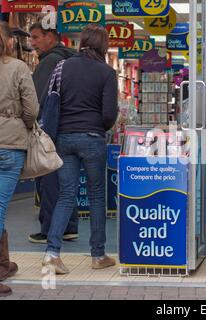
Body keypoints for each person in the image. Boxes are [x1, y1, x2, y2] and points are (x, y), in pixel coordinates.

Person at [42, 24, 118, 274]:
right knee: (97, 197)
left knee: (66, 195)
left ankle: (52, 254)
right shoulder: (106, 72)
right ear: (103, 45)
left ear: (82, 41)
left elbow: (49, 100)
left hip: (63, 138)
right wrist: (98, 126)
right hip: (93, 137)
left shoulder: (63, 67)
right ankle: (98, 255)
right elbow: (109, 114)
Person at [28, 22, 78, 244]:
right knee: (66, 181)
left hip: (49, 127)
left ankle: (48, 228)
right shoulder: (71, 59)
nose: (33, 42)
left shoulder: (49, 61)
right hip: (68, 126)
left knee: (48, 179)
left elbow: (35, 98)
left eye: (37, 37)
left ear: (50, 37)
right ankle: (69, 226)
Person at [0, 22, 39, 296]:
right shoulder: (17, 68)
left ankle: (3, 264)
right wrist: (20, 124)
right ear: (7, 43)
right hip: (9, 144)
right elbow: (32, 109)